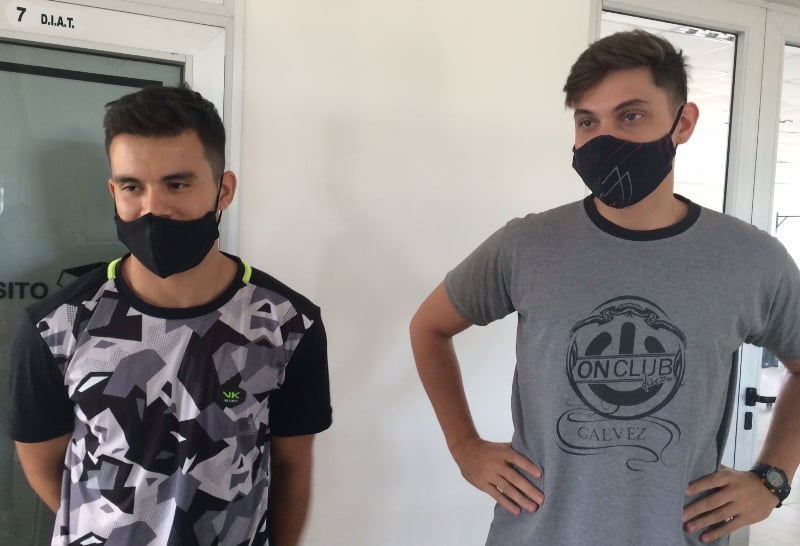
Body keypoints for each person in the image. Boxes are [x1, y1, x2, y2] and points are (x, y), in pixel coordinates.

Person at [410, 30, 800, 545]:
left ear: (683, 123)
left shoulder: (750, 258)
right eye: (587, 121)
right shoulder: (527, 245)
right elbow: (429, 327)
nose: (603, 138)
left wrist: (772, 480)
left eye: (630, 116)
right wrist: (464, 447)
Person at [6, 85, 332, 546]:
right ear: (113, 191)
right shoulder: (56, 326)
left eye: (177, 184)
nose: (153, 209)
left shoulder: (287, 325)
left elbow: (292, 464)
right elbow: (40, 459)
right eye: (132, 186)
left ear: (224, 190)